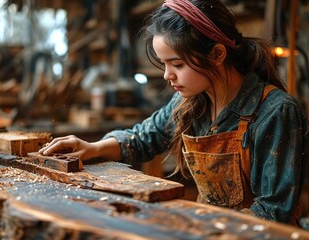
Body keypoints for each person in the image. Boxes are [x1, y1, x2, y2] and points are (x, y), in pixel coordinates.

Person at [39, 0, 309, 225]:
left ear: (217, 54)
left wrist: (193, 225)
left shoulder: (275, 112)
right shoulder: (191, 102)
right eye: (164, 64)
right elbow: (143, 138)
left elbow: (273, 213)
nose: (168, 75)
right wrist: (93, 148)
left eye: (176, 64)